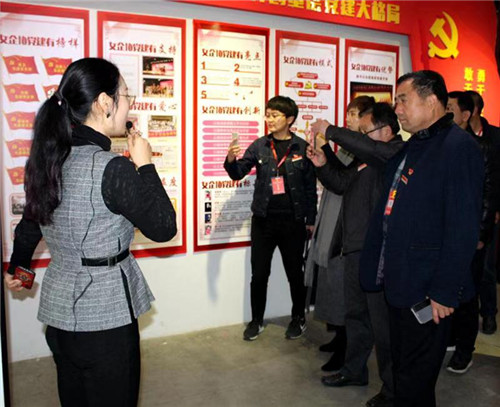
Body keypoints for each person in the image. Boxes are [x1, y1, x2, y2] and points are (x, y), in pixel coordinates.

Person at [4, 58, 177, 407]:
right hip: (106, 319)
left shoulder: (49, 159)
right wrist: (146, 165)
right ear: (104, 102)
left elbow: (30, 224)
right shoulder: (113, 168)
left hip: (59, 316)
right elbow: (163, 227)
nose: (129, 105)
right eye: (125, 96)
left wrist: (18, 268)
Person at [356, 70, 483, 407]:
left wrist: (444, 290)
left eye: (403, 100)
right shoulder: (415, 145)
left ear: (432, 101)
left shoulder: (459, 148)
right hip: (401, 282)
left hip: (428, 291)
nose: (397, 109)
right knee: (403, 371)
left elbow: (463, 227)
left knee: (416, 380)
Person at [310, 103, 404, 407]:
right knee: (356, 316)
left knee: (382, 326)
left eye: (365, 132)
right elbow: (341, 183)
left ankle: (392, 390)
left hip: (379, 252)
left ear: (386, 131)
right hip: (354, 249)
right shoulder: (366, 158)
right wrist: (322, 162)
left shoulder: (395, 153)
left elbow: (370, 149)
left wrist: (330, 131)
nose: (360, 138)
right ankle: (354, 371)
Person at [224, 96, 317, 341]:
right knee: (259, 275)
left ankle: (298, 318)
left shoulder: (301, 148)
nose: (269, 119)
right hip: (263, 221)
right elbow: (238, 173)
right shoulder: (259, 146)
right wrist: (231, 159)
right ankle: (256, 321)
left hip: (293, 222)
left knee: (295, 273)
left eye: (275, 115)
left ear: (290, 119)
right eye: (267, 114)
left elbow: (310, 188)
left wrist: (311, 219)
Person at [304, 96, 375, 373]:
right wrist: (322, 155)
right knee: (332, 288)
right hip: (334, 225)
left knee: (346, 294)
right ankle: (339, 337)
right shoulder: (349, 148)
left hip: (348, 231)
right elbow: (335, 177)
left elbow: (343, 180)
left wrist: (325, 149)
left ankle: (347, 348)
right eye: (348, 113)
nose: (349, 119)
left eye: (354, 114)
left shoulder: (367, 151)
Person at [446, 90, 499, 373]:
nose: (445, 113)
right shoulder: (439, 144)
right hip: (444, 234)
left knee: (467, 293)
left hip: (468, 235)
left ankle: (465, 350)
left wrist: (480, 234)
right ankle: (450, 337)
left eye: (450, 109)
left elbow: (489, 196)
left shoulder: (480, 149)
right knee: (445, 288)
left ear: (466, 115)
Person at [465, 90, 500, 335]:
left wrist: (496, 209)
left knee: (487, 267)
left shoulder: (496, 137)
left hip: (490, 215)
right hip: (467, 214)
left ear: (473, 111)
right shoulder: (459, 137)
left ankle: (488, 314)